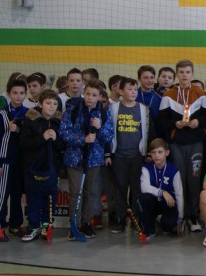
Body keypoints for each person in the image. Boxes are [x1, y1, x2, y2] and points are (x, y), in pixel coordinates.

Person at [157, 60, 206, 231]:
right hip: (176, 143)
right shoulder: (168, 95)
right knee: (178, 179)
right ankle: (179, 214)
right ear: (177, 74)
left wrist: (198, 122)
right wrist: (174, 124)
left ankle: (193, 216)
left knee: (194, 178)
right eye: (181, 72)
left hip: (195, 143)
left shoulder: (201, 94)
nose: (184, 75)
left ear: (192, 74)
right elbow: (162, 120)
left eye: (187, 72)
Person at [60, 81, 114, 240]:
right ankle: (74, 225)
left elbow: (108, 137)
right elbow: (64, 132)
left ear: (99, 97)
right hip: (75, 158)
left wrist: (99, 127)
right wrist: (82, 139)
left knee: (91, 192)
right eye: (88, 94)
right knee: (76, 192)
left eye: (94, 95)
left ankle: (86, 223)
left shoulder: (104, 114)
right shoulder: (72, 110)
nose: (90, 98)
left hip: (93, 159)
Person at [18, 89, 63, 243]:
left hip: (52, 168)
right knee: (34, 199)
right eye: (48, 103)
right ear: (40, 104)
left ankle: (46, 225)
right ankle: (33, 227)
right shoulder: (31, 120)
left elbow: (62, 146)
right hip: (33, 167)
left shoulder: (58, 122)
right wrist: (42, 138)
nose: (51, 106)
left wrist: (56, 139)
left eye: (55, 104)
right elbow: (25, 144)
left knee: (50, 199)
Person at [107, 77, 151, 233]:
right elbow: (108, 132)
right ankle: (120, 219)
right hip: (119, 155)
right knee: (120, 189)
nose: (133, 92)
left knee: (136, 188)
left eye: (135, 89)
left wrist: (147, 152)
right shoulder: (113, 108)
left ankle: (136, 218)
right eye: (129, 89)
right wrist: (108, 153)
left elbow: (148, 132)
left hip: (137, 155)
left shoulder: (143, 109)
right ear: (121, 91)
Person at [0, 79, 29, 240]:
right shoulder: (2, 114)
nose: (18, 96)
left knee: (17, 195)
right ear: (8, 94)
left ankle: (15, 224)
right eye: (15, 93)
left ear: (25, 94)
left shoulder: (28, 113)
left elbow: (30, 137)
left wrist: (19, 129)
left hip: (21, 163)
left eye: (21, 93)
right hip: (4, 162)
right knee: (1, 196)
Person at [136, 138, 184, 241]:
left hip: (169, 203)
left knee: (168, 226)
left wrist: (180, 220)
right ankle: (149, 230)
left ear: (167, 153)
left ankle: (164, 220)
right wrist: (162, 192)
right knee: (144, 198)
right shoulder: (146, 168)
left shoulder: (174, 170)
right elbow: (144, 188)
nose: (156, 155)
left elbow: (179, 195)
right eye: (153, 152)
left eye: (160, 152)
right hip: (154, 202)